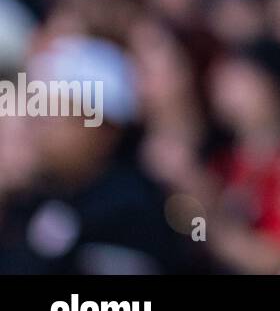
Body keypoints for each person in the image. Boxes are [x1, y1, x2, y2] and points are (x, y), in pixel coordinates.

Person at [0, 36, 204, 273]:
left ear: (105, 128)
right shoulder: (31, 193)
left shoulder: (130, 212)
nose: (41, 122)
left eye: (58, 109)